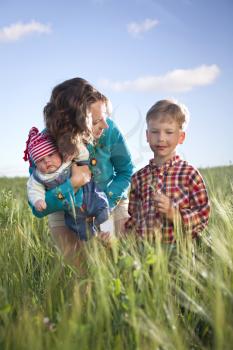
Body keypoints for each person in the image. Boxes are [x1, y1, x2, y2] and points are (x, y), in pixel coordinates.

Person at [30, 77, 134, 257]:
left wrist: (105, 205)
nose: (105, 125)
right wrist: (74, 183)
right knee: (80, 271)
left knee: (118, 258)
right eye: (95, 122)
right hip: (66, 209)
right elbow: (38, 209)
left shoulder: (109, 131)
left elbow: (126, 171)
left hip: (111, 199)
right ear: (73, 126)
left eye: (105, 117)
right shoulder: (43, 147)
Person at [125, 99, 210, 244]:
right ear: (147, 135)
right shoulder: (138, 178)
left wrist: (174, 214)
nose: (161, 138)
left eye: (169, 132)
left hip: (179, 255)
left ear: (181, 137)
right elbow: (133, 219)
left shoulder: (189, 174)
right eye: (155, 132)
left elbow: (202, 217)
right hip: (144, 256)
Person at [24, 126, 110, 241]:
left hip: (91, 194)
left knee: (103, 208)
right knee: (76, 225)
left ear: (59, 153)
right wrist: (38, 200)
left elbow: (84, 155)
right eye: (40, 160)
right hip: (71, 206)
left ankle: (106, 231)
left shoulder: (67, 159)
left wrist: (75, 150)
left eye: (50, 155)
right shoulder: (39, 177)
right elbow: (33, 190)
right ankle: (94, 238)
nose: (47, 161)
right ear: (36, 164)